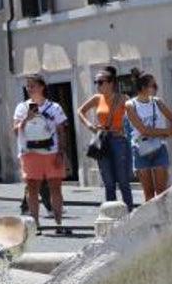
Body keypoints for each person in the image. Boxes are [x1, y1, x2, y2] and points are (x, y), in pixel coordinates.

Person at [14, 74, 70, 235]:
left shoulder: (54, 107)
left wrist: (61, 152)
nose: (29, 88)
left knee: (55, 187)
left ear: (41, 87)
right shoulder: (21, 108)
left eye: (32, 85)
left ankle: (59, 223)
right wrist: (26, 118)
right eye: (27, 86)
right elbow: (15, 131)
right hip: (29, 152)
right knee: (32, 189)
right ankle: (35, 225)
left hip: (51, 151)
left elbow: (61, 131)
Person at [77, 66, 134, 211]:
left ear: (110, 83)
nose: (97, 85)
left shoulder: (123, 99)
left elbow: (134, 120)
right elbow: (80, 111)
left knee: (123, 182)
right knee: (108, 182)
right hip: (102, 141)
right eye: (96, 82)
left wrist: (123, 130)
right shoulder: (97, 99)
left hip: (119, 141)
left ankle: (130, 214)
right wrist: (90, 125)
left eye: (100, 82)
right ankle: (111, 215)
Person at [124, 70, 172, 202]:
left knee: (162, 192)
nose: (156, 88)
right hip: (140, 149)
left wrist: (171, 131)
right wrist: (165, 132)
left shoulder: (157, 102)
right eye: (153, 85)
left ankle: (165, 220)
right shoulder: (131, 105)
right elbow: (143, 130)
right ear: (143, 88)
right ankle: (153, 221)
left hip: (159, 147)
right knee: (148, 193)